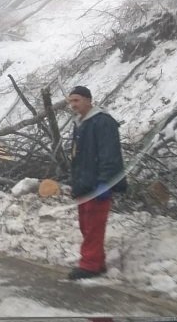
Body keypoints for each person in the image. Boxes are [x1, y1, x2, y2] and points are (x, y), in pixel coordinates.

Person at [67, 86, 127, 280]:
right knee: (86, 225)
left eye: (76, 100)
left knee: (94, 226)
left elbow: (109, 155)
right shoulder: (80, 123)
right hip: (84, 184)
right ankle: (97, 262)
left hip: (97, 185)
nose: (73, 105)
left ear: (88, 100)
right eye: (71, 102)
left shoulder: (102, 122)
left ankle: (90, 265)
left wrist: (105, 183)